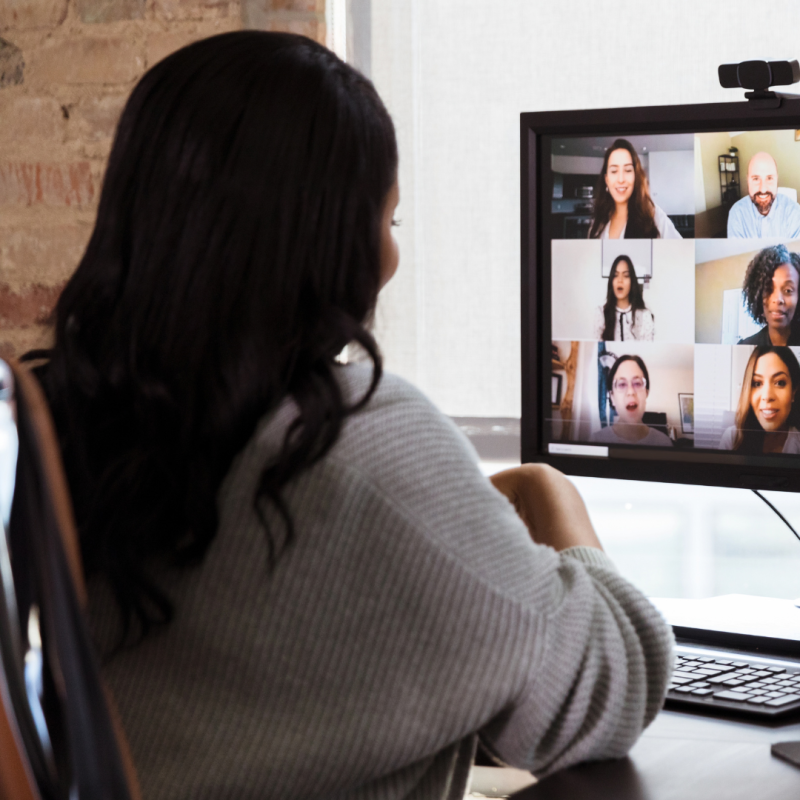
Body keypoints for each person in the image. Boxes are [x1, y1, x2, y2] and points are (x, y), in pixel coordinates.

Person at [28, 32, 673, 800]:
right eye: (389, 222)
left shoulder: (63, 424)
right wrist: (547, 492)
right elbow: (611, 687)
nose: (392, 261)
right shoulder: (354, 441)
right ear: (327, 237)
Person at [588, 138, 681, 239]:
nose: (621, 179)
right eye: (614, 171)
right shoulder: (598, 221)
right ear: (606, 180)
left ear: (635, 176)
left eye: (628, 170)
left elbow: (681, 248)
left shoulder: (653, 216)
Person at [718, 346, 800, 453]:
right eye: (757, 383)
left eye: (780, 383)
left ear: (793, 392)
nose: (767, 396)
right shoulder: (732, 439)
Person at [590, 355, 673, 446]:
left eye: (637, 383)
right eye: (622, 384)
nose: (630, 392)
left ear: (646, 393)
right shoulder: (595, 441)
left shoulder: (664, 443)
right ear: (612, 397)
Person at [727, 151, 800, 238]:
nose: (763, 189)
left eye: (769, 178)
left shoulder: (795, 213)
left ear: (777, 179)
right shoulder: (737, 214)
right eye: (756, 179)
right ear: (748, 180)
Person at [738, 244, 800, 346]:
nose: (778, 299)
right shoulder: (746, 346)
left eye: (788, 290)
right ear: (758, 295)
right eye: (769, 289)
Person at [595, 254, 654, 340]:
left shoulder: (644, 316)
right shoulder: (601, 314)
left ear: (632, 281)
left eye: (626, 276)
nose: (620, 280)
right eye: (615, 275)